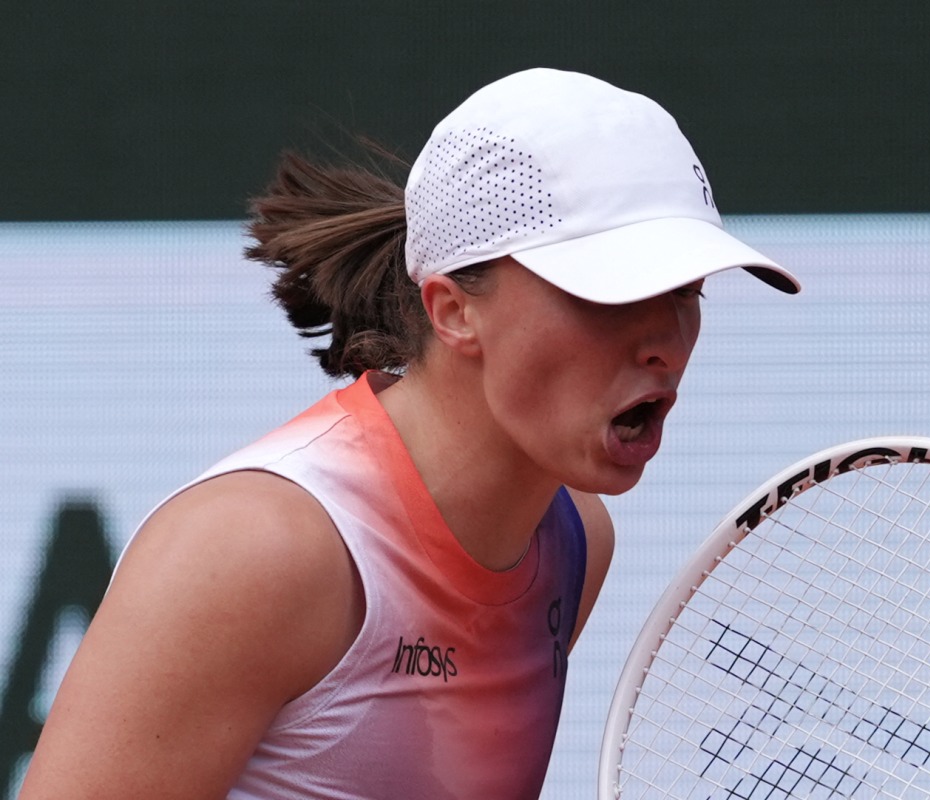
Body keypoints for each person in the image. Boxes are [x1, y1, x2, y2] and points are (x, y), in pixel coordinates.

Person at [19, 67, 800, 798]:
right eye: (611, 293)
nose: (664, 339)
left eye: (687, 289)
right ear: (454, 310)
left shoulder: (574, 541)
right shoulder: (251, 552)